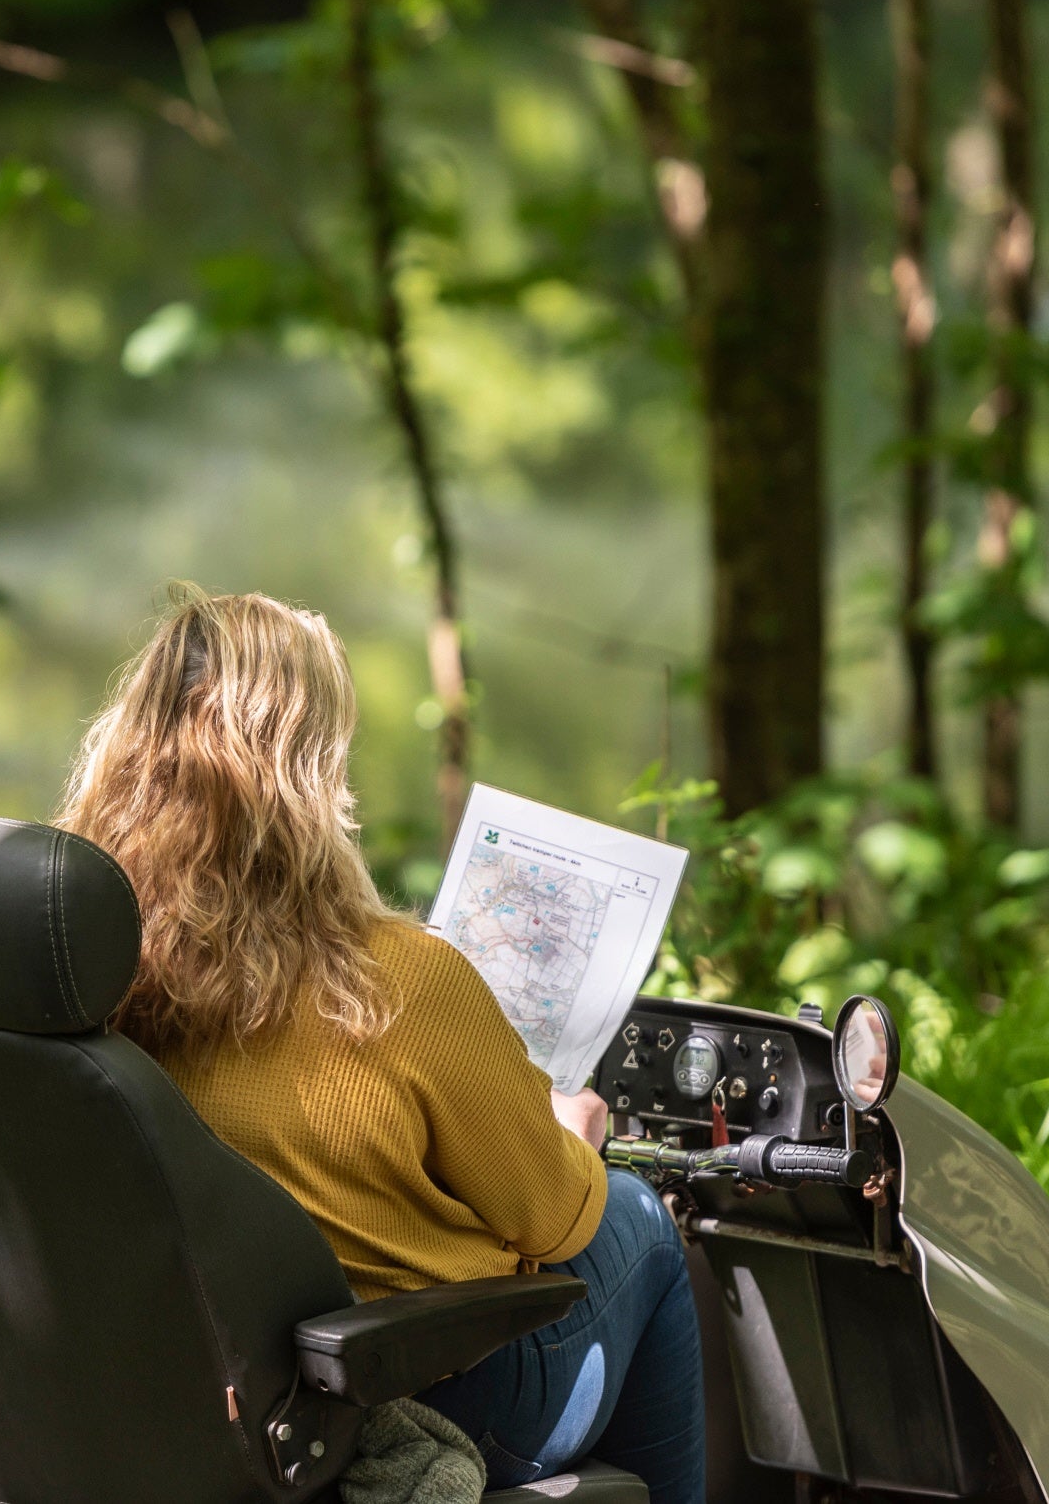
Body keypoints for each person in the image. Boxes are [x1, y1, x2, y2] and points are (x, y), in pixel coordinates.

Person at [56, 586, 704, 1502]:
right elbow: (556, 1220)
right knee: (639, 1221)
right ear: (311, 772)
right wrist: (574, 1135)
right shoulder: (397, 982)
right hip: (401, 1398)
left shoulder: (93, 966)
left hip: (205, 1400)